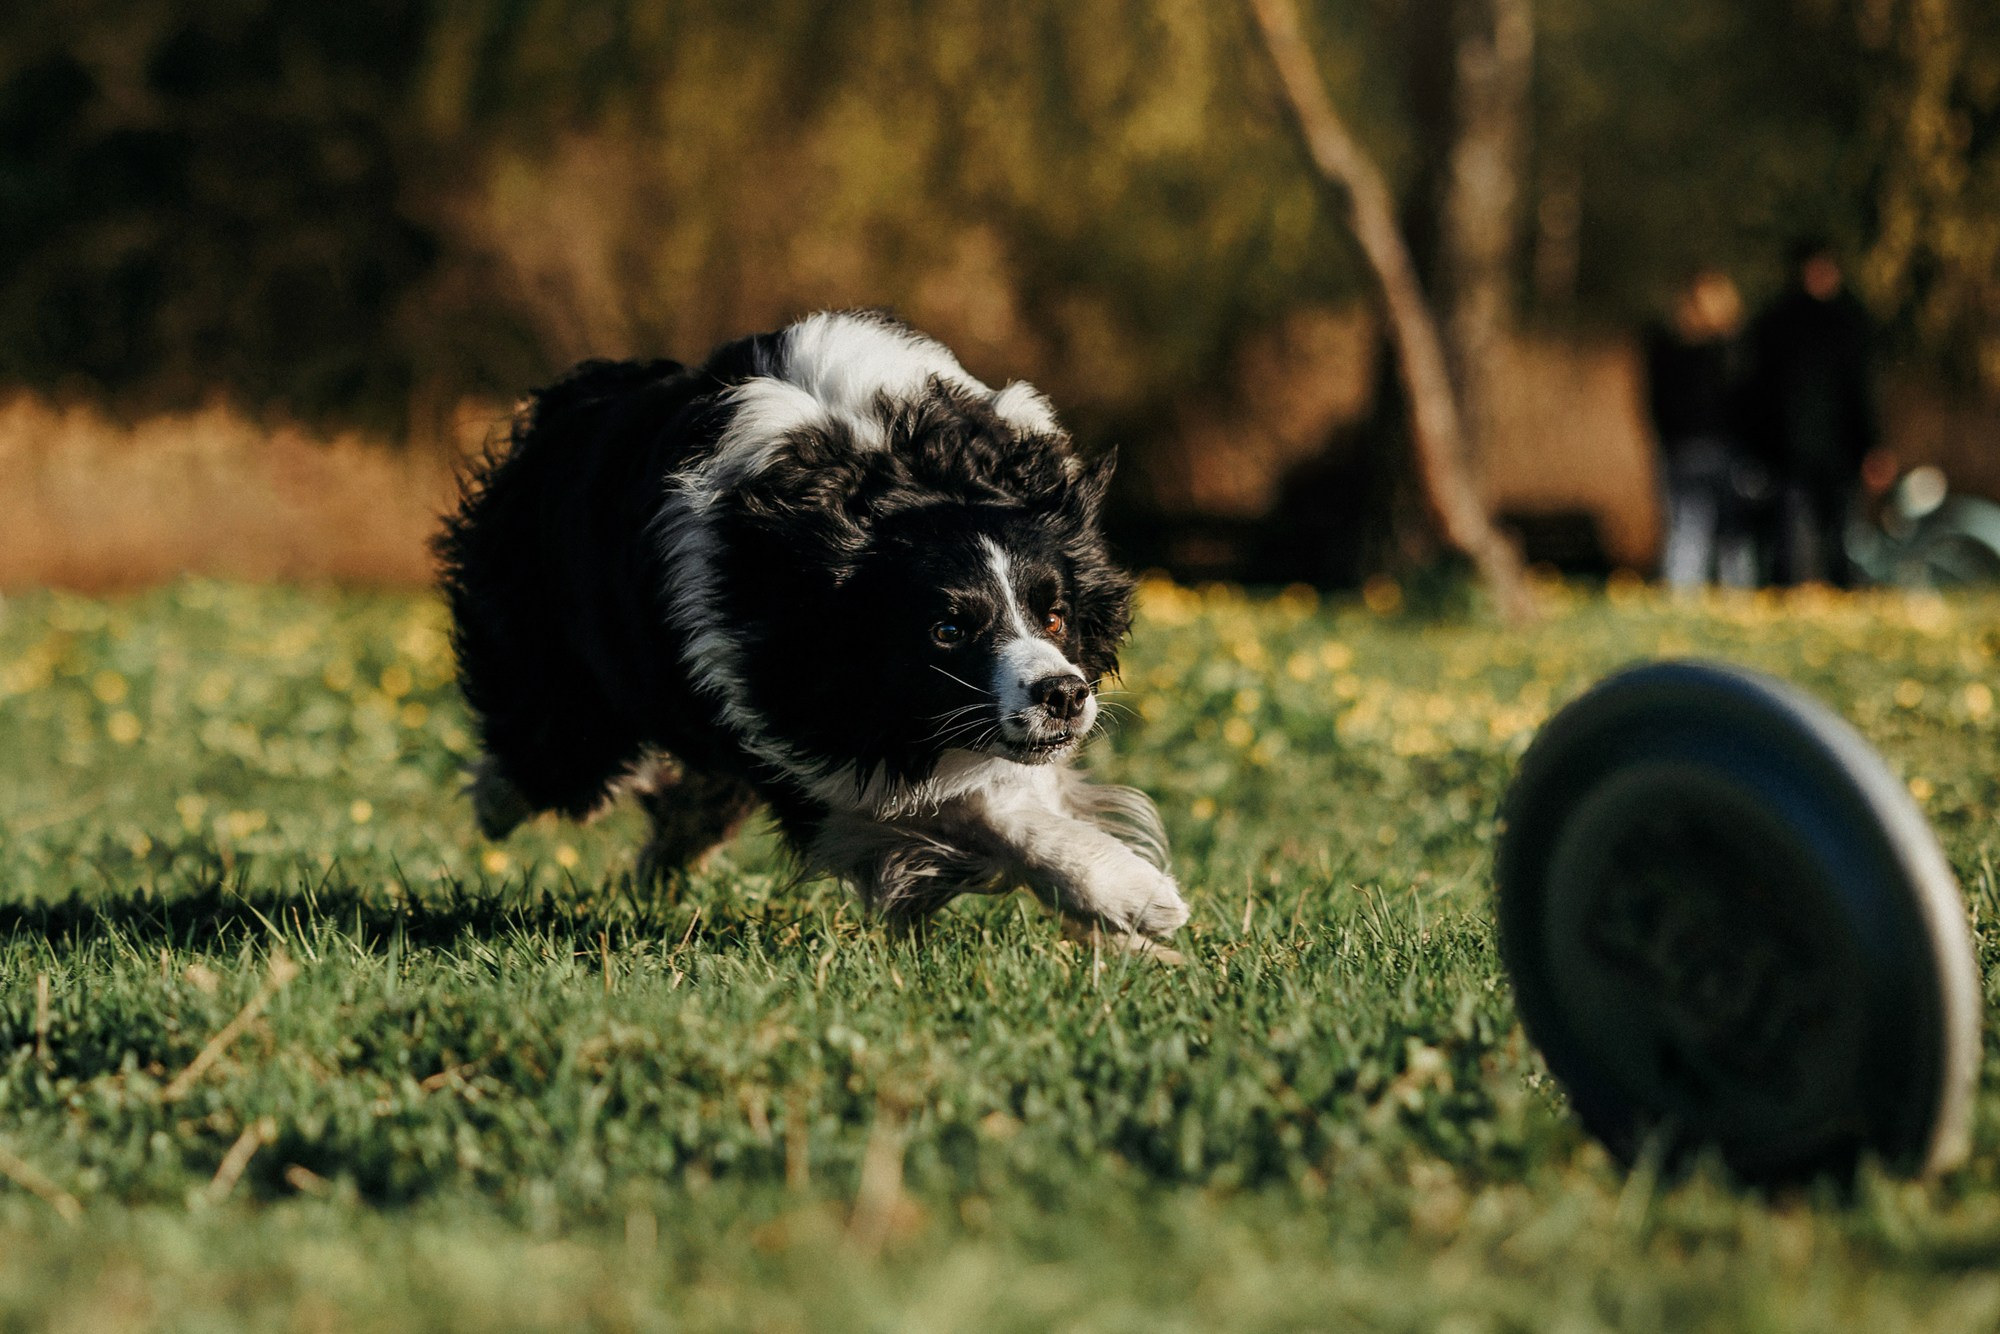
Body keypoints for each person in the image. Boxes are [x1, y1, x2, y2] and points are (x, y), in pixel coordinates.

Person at [1744, 240, 1884, 587]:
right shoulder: (1836, 324)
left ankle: (1821, 588)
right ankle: (1819, 588)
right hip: (1801, 452)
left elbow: (1858, 393)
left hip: (1819, 451)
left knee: (1832, 533)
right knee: (1800, 534)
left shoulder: (1780, 322)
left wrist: (1871, 446)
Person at [1645, 269, 1756, 590]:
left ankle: (1683, 596)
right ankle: (1737, 596)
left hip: (1683, 450)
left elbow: (1657, 406)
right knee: (1731, 534)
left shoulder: (1666, 348)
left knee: (1688, 530)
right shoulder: (1729, 350)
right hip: (1721, 450)